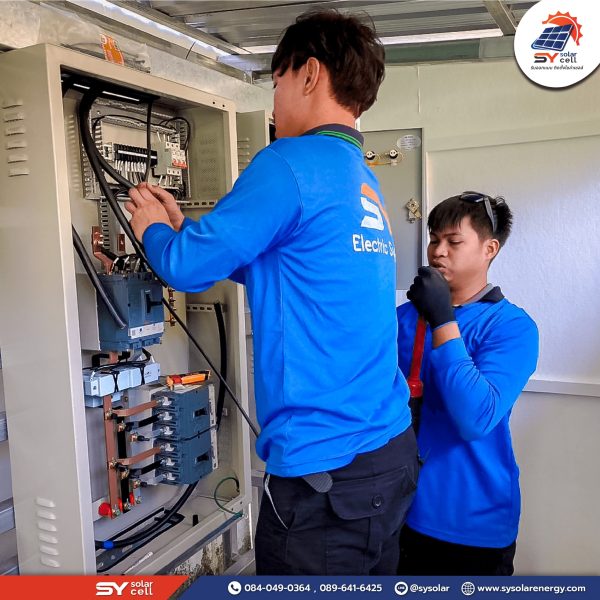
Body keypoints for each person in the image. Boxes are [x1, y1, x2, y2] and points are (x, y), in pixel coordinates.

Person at [125, 10, 419, 575]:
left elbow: (185, 269)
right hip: (388, 454)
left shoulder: (289, 162)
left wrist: (153, 231)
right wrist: (187, 231)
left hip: (326, 476)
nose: (276, 101)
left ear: (309, 73)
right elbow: (292, 271)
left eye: (276, 82)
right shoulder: (361, 177)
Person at [396, 192, 539, 575]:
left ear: (489, 249)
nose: (438, 251)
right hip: (394, 512)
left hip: (471, 526)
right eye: (434, 239)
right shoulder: (404, 319)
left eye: (454, 241)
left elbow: (475, 417)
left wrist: (443, 319)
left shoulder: (511, 327)